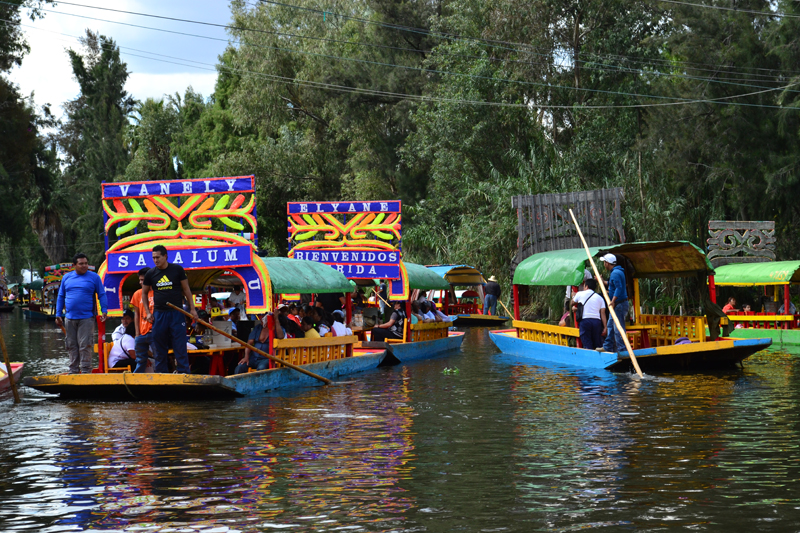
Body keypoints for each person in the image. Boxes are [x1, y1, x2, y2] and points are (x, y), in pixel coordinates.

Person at [142, 245, 199, 374]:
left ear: (165, 256)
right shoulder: (151, 273)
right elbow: (144, 293)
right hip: (159, 314)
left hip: (177, 313)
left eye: (158, 257)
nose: (155, 260)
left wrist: (192, 309)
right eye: (153, 258)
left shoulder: (177, 270)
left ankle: (184, 372)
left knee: (180, 345)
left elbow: (186, 289)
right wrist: (148, 312)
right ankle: (161, 375)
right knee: (159, 347)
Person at [55, 253, 108, 374]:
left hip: (87, 318)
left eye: (86, 263)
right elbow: (61, 296)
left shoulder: (94, 277)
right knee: (71, 345)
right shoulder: (66, 278)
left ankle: (85, 371)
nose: (84, 266)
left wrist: (104, 310)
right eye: (81, 264)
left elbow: (102, 294)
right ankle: (73, 370)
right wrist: (58, 314)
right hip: (69, 318)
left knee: (85, 345)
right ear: (74, 265)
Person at [601, 253, 628, 354]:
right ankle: (607, 346)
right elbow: (612, 284)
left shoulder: (615, 273)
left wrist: (612, 301)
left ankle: (622, 350)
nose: (604, 264)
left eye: (604, 262)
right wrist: (603, 281)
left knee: (618, 328)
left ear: (607, 263)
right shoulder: (616, 272)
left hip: (619, 304)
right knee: (610, 325)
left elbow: (619, 288)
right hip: (618, 304)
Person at [572, 279, 607, 350]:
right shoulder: (600, 298)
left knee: (587, 343)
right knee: (598, 344)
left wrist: (573, 296)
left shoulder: (580, 294)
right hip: (597, 322)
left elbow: (572, 303)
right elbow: (603, 314)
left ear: (586, 286)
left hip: (585, 321)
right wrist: (605, 327)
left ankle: (589, 358)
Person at [132, 267, 155, 373]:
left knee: (159, 357)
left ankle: (161, 379)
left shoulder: (158, 293)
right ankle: (135, 382)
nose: (140, 282)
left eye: (143, 280)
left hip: (155, 331)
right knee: (140, 360)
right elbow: (136, 314)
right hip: (142, 333)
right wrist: (137, 334)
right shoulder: (137, 294)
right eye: (140, 280)